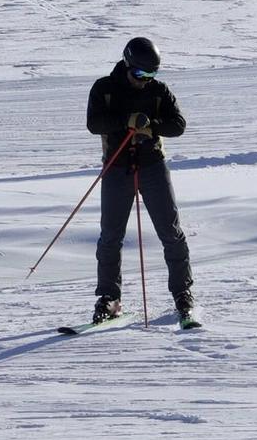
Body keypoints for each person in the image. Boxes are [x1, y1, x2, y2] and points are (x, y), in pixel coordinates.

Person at [85, 35, 199, 329]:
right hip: (117, 168)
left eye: (152, 74)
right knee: (110, 236)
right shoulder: (104, 88)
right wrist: (127, 120)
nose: (146, 80)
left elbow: (179, 125)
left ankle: (183, 296)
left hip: (152, 167)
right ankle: (109, 298)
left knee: (171, 233)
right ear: (127, 64)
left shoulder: (159, 91)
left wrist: (152, 125)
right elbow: (94, 123)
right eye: (140, 74)